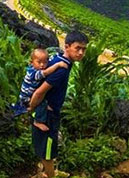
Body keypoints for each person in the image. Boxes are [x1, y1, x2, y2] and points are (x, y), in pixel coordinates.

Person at [29, 31, 88, 178]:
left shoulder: (59, 59)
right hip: (47, 115)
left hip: (45, 112)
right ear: (67, 47)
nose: (81, 53)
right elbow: (39, 92)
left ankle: (44, 173)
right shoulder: (61, 69)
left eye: (84, 49)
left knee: (44, 146)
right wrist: (31, 107)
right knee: (47, 151)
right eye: (77, 48)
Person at [13, 48, 69, 131]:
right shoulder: (34, 73)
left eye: (45, 62)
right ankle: (38, 121)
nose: (42, 65)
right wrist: (58, 65)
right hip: (27, 97)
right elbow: (46, 72)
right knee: (42, 103)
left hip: (26, 94)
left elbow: (49, 60)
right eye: (39, 62)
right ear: (31, 62)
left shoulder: (35, 68)